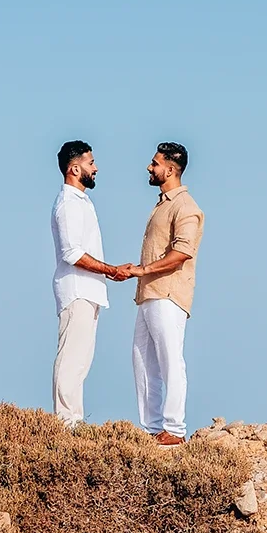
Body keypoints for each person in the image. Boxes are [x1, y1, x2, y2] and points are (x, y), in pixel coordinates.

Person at [115, 142, 203, 445]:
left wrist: (141, 270)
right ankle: (152, 427)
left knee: (170, 360)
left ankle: (175, 428)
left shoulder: (186, 207)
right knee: (142, 360)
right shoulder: (163, 204)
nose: (150, 168)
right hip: (149, 294)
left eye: (155, 163)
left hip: (168, 294)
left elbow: (182, 252)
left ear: (170, 169)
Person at [49, 141, 132, 426]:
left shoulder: (82, 201)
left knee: (82, 360)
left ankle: (75, 420)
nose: (95, 168)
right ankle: (65, 422)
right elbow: (71, 253)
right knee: (72, 357)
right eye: (91, 162)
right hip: (77, 290)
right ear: (75, 168)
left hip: (90, 291)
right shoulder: (68, 204)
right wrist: (111, 271)